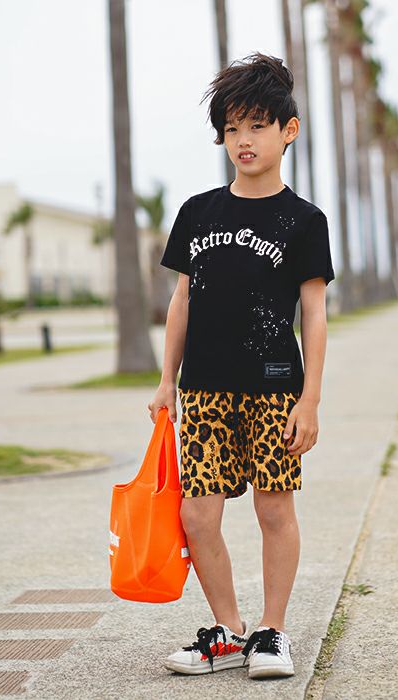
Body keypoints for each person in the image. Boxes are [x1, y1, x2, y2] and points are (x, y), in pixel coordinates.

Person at [147, 51, 335, 680]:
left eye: (257, 125)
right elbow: (182, 300)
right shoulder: (198, 212)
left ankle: (272, 633)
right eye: (232, 128)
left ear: (289, 130)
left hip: (275, 390)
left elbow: (314, 314)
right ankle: (227, 631)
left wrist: (310, 399)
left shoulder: (304, 221)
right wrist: (167, 381)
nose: (243, 140)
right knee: (197, 515)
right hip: (203, 390)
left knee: (273, 510)